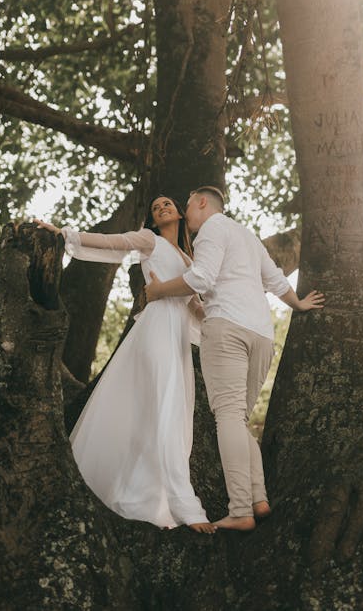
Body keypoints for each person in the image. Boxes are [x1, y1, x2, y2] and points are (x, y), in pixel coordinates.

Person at [145, 186, 324, 531]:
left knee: (226, 417)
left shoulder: (211, 230)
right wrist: (298, 303)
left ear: (201, 203)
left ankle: (240, 509)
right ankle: (257, 498)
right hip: (261, 334)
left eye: (188, 205)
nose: (188, 216)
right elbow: (273, 278)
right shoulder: (248, 235)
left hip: (227, 328)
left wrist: (158, 291)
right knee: (237, 419)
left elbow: (200, 278)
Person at [34, 195, 215, 534]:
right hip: (156, 331)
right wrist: (64, 233)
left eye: (167, 204)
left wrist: (224, 319)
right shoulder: (151, 241)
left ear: (179, 213)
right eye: (155, 206)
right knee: (163, 406)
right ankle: (185, 506)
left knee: (168, 413)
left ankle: (145, 492)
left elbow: (196, 307)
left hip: (176, 342)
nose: (160, 207)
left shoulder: (190, 261)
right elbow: (112, 243)